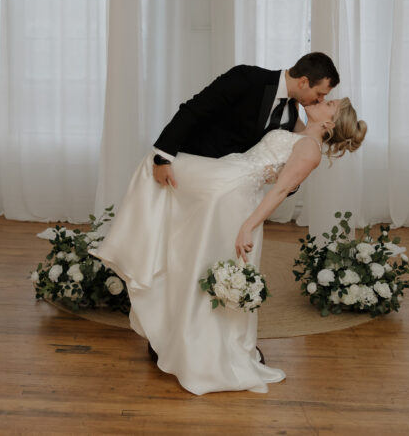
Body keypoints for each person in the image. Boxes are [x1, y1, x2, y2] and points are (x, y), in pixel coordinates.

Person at [92, 96, 367, 395]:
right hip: (226, 173)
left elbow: (280, 191)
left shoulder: (310, 150)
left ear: (329, 124)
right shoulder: (301, 131)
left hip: (234, 191)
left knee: (162, 174)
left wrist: (248, 226)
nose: (323, 99)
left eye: (329, 104)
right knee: (168, 188)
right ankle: (165, 309)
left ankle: (135, 260)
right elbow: (295, 101)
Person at [150, 52, 340, 190]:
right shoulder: (246, 78)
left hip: (231, 188)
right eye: (319, 94)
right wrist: (163, 159)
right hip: (192, 168)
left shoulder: (291, 111)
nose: (320, 100)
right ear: (303, 82)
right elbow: (193, 110)